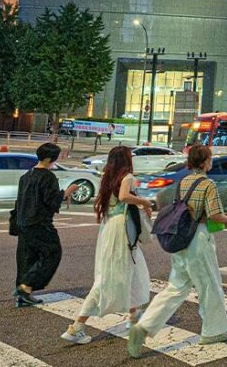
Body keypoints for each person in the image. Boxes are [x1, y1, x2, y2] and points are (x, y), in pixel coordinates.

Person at [128, 145, 227, 358]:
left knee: (176, 287)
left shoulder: (183, 181)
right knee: (209, 285)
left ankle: (145, 325)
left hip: (181, 238)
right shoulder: (207, 184)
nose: (210, 162)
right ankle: (214, 331)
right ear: (204, 162)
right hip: (199, 238)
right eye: (209, 159)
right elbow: (215, 215)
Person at [62, 145, 153, 345]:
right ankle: (76, 326)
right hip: (121, 231)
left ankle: (134, 315)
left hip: (110, 228)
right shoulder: (127, 177)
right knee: (107, 279)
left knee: (132, 270)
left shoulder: (108, 177)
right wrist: (144, 202)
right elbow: (123, 197)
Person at [13, 143, 80, 308]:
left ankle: (23, 293)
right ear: (50, 158)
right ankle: (25, 287)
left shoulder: (26, 175)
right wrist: (68, 192)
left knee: (27, 258)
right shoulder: (47, 177)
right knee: (52, 253)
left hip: (23, 222)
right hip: (40, 223)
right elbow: (51, 201)